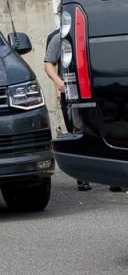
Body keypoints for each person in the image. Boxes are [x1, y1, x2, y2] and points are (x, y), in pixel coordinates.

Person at [45, 29, 92, 192]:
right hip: (72, 94)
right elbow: (48, 64)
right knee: (78, 132)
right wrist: (58, 83)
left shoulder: (89, 32)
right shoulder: (58, 38)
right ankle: (83, 177)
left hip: (92, 90)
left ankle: (113, 179)